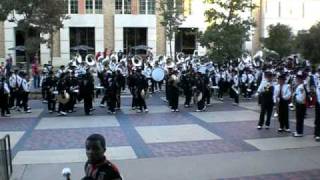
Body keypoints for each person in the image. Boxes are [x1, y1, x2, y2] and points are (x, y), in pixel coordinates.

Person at [293, 72, 307, 137]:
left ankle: (299, 132)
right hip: (299, 104)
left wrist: (295, 96)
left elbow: (301, 97)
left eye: (298, 79)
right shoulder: (299, 86)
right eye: (296, 79)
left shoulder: (301, 87)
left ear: (301, 80)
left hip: (300, 104)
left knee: (299, 119)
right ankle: (298, 130)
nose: (296, 80)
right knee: (298, 118)